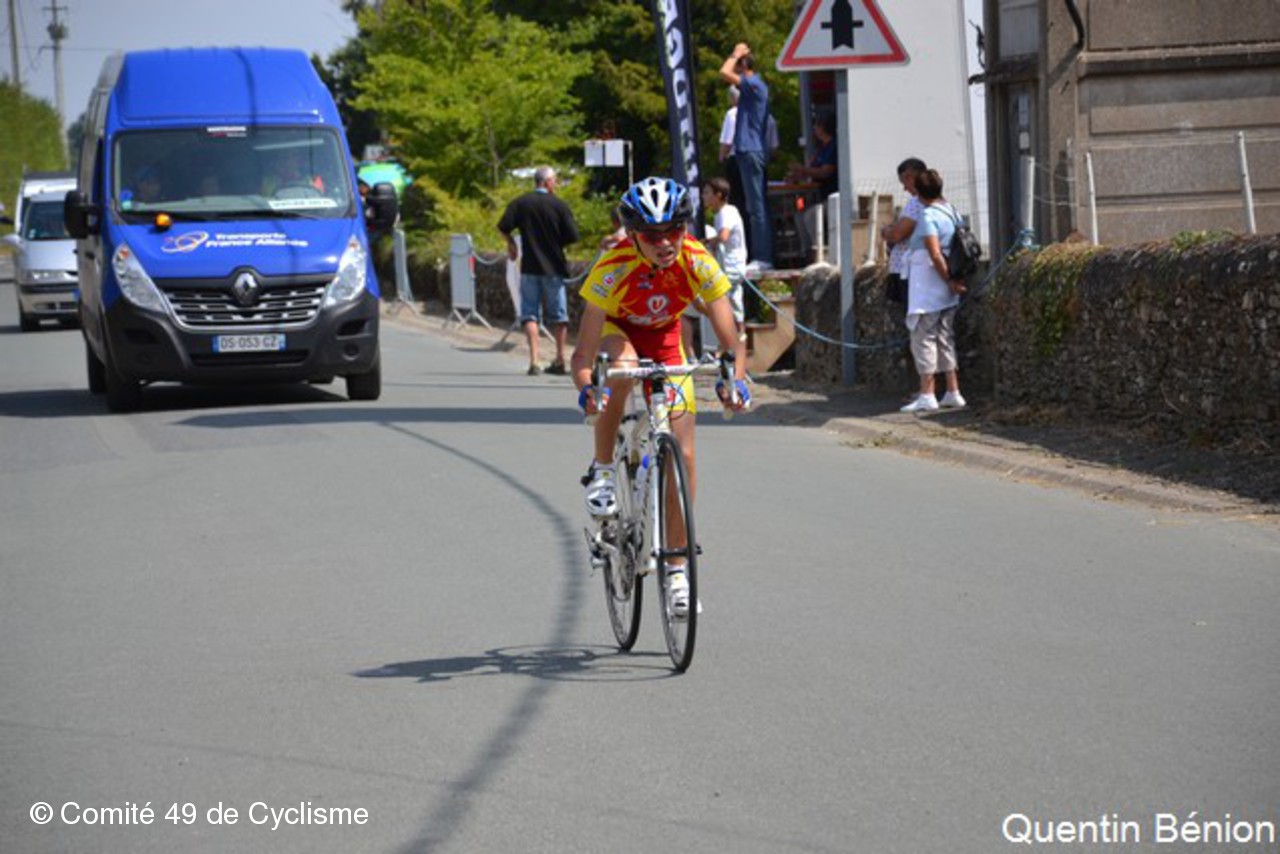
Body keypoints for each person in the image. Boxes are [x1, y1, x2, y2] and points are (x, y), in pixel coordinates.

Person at [572, 177, 750, 616]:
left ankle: (676, 571)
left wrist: (735, 382)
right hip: (618, 333)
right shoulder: (612, 266)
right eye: (653, 235)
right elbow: (582, 355)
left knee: (683, 458)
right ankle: (603, 469)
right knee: (624, 366)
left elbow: (732, 342)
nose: (666, 242)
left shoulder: (697, 259)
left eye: (675, 229)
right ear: (633, 235)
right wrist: (588, 388)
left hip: (667, 341)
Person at [497, 166, 580, 375]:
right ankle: (560, 359)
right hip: (554, 267)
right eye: (555, 180)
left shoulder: (521, 203)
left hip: (529, 266)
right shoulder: (559, 205)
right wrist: (556, 242)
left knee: (529, 314)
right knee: (559, 315)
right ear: (548, 182)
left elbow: (503, 226)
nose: (556, 184)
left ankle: (534, 361)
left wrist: (511, 244)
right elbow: (573, 235)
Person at [900, 168, 966, 413]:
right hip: (948, 284)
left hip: (929, 284)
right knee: (945, 336)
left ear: (918, 193)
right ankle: (952, 390)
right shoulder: (951, 211)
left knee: (924, 337)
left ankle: (927, 394)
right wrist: (953, 279)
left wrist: (947, 279)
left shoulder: (928, 216)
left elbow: (935, 253)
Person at [719, 42, 772, 268]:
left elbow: (724, 72)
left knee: (757, 208)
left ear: (742, 66)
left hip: (751, 150)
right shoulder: (752, 87)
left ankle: (763, 257)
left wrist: (736, 53)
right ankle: (759, 255)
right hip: (748, 150)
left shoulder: (752, 83)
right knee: (753, 207)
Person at [881, 158, 928, 306]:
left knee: (915, 315)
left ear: (910, 177)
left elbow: (898, 234)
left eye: (904, 182)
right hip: (917, 269)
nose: (905, 188)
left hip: (910, 271)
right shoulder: (937, 202)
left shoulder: (917, 202)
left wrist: (886, 231)